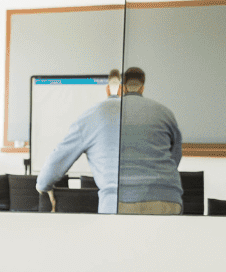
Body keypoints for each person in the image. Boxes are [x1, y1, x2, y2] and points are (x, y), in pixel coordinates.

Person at [36, 66, 184, 214]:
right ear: (141, 89)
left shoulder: (93, 114)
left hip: (117, 203)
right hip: (168, 201)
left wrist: (43, 185)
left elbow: (59, 158)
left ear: (120, 89)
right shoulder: (165, 113)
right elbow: (174, 158)